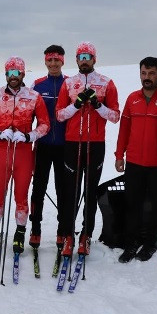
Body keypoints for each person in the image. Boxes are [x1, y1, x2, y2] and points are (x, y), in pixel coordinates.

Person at [56, 42, 120, 258]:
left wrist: (98, 105)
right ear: (76, 60)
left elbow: (114, 116)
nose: (84, 60)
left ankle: (86, 235)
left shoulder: (106, 83)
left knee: (90, 191)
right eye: (80, 56)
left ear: (94, 59)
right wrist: (75, 106)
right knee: (70, 192)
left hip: (95, 144)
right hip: (73, 143)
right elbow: (59, 115)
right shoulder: (69, 84)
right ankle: (68, 235)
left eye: (88, 56)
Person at [0, 57, 50, 253]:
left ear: (22, 73)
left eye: (17, 72)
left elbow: (45, 124)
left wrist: (29, 136)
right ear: (6, 75)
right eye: (10, 73)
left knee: (21, 195)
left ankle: (20, 233)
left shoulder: (34, 96)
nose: (13, 76)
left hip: (23, 153)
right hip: (1, 151)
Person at [114, 57, 157, 263]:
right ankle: (131, 243)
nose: (147, 78)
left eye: (151, 73)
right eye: (144, 73)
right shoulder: (132, 99)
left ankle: (150, 243)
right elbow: (124, 130)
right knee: (133, 205)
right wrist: (119, 155)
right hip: (134, 163)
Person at [29, 45, 68, 249]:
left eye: (57, 60)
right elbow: (29, 114)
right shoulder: (37, 85)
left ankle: (63, 230)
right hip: (43, 145)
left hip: (64, 146)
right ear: (45, 61)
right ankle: (35, 229)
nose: (53, 64)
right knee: (38, 188)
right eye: (50, 60)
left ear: (63, 61)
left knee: (64, 190)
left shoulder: (70, 84)